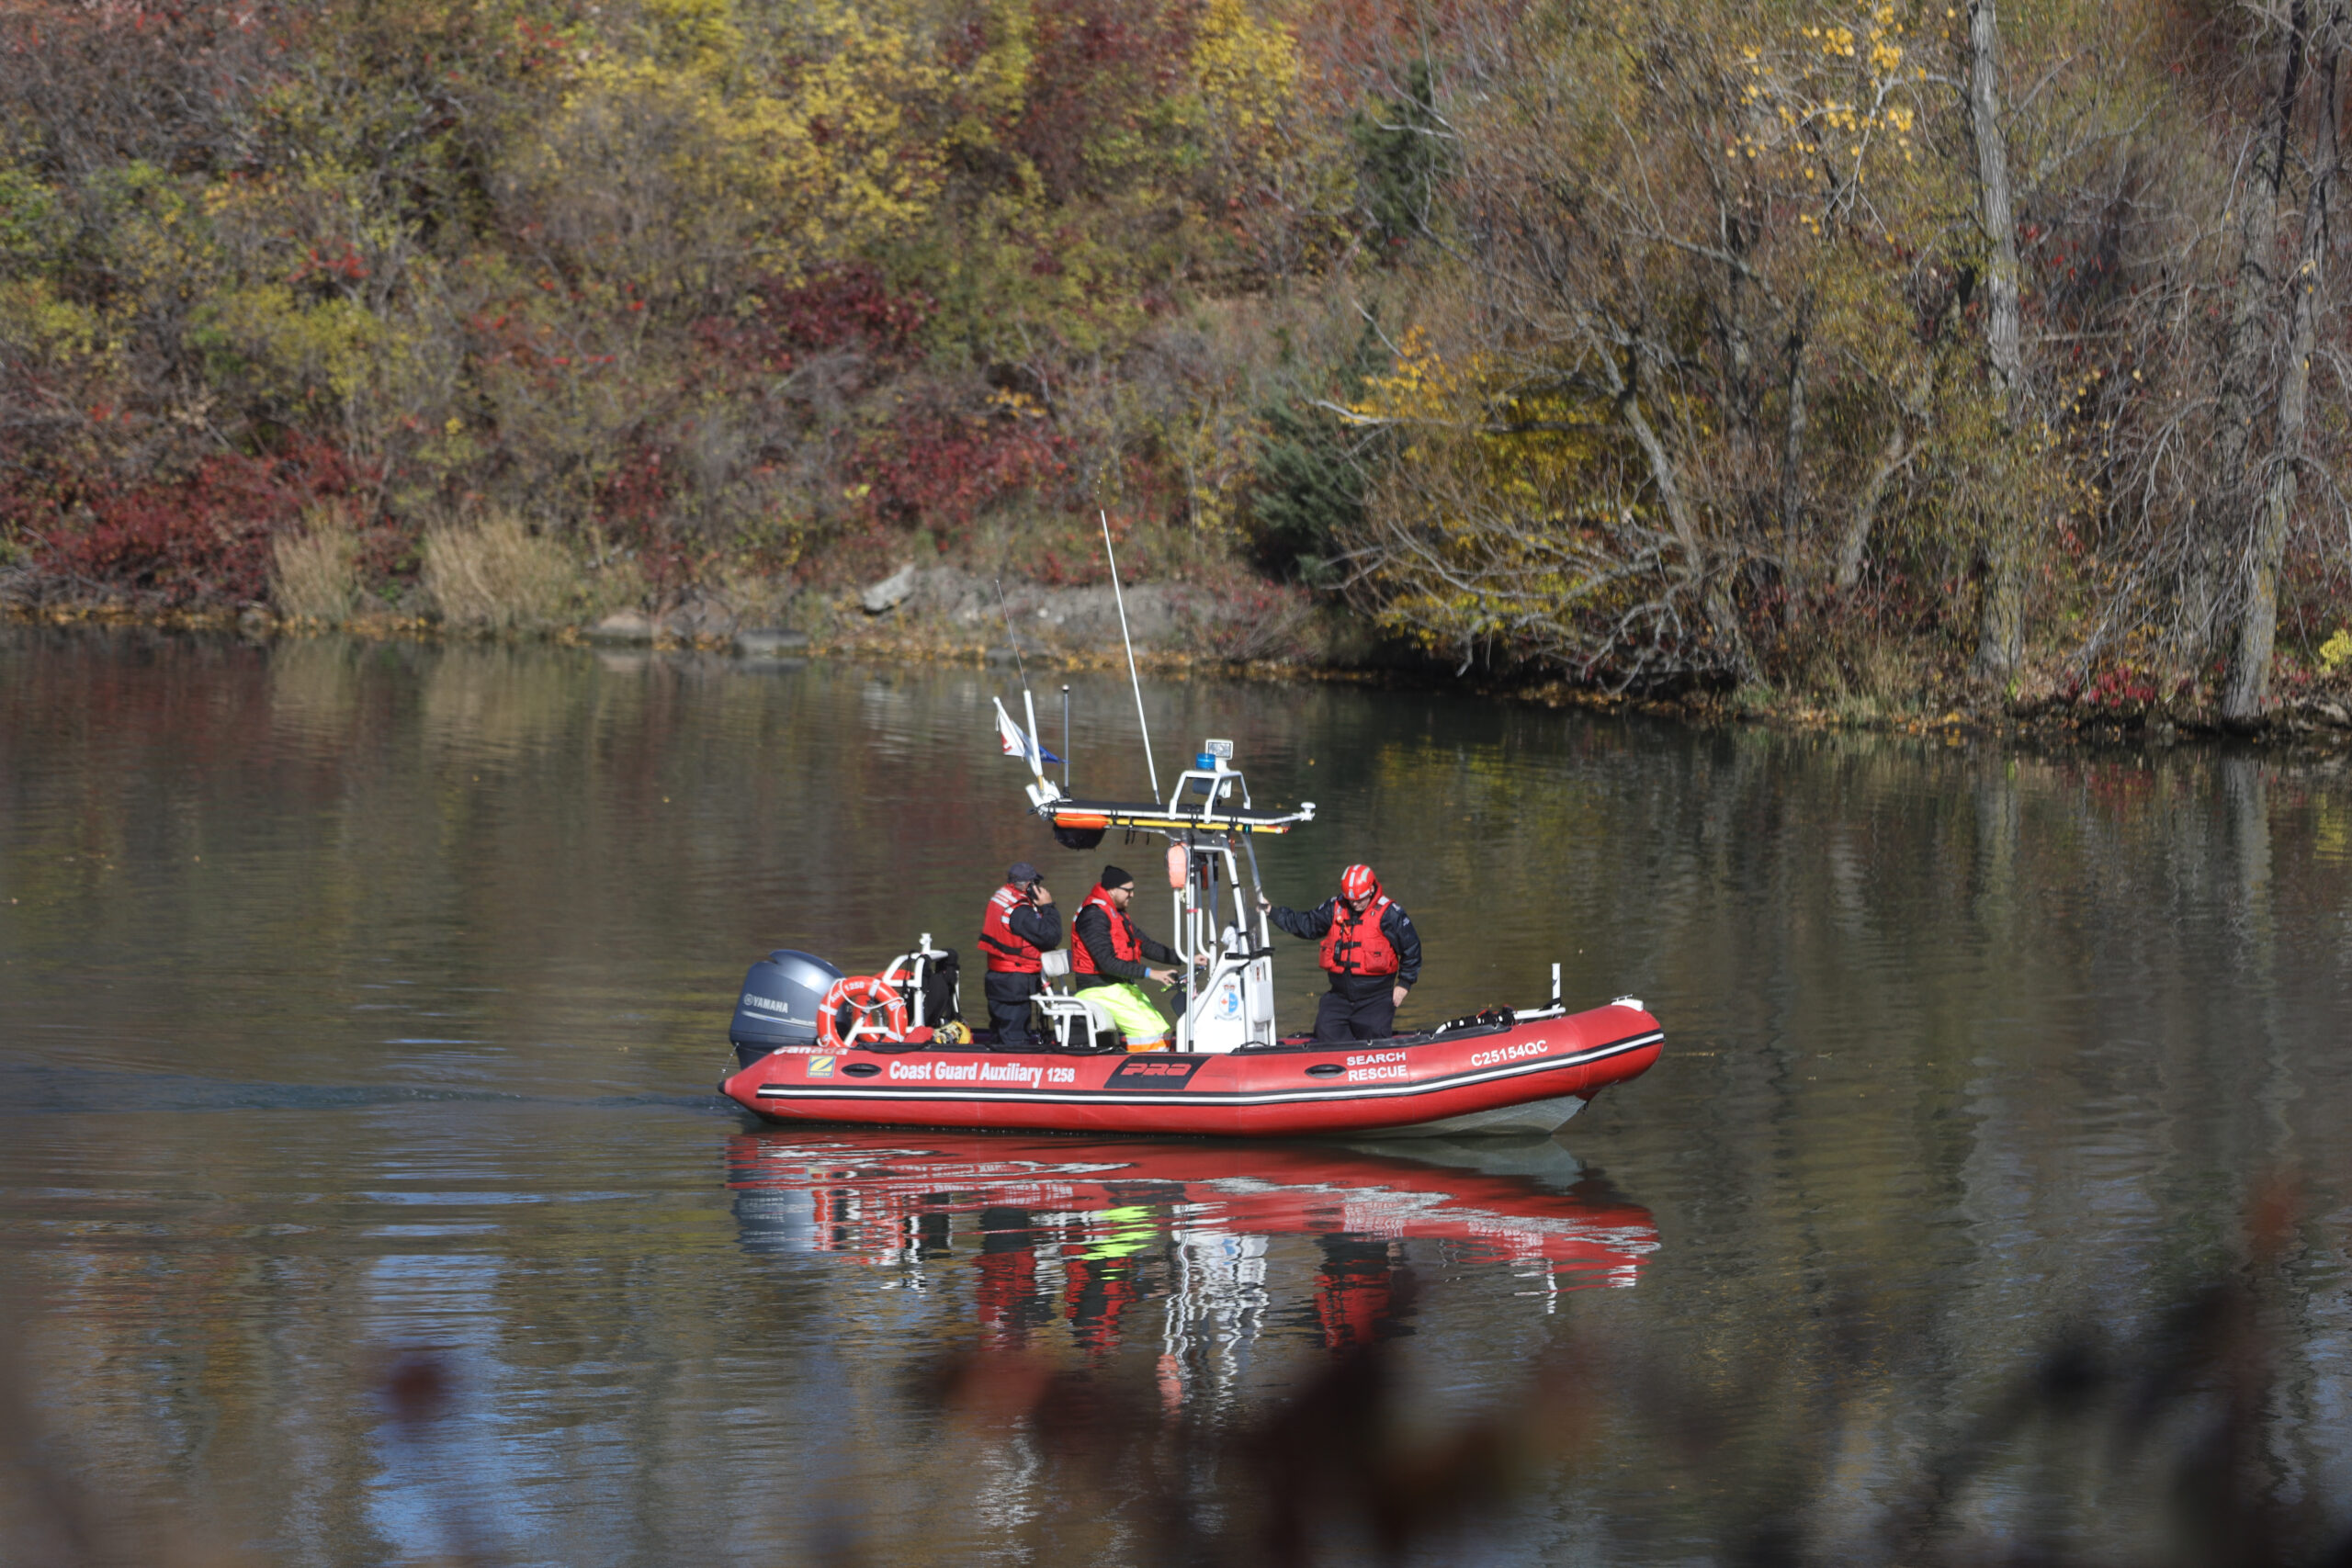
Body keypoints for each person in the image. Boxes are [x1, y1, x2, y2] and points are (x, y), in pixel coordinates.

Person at [1260, 863, 1421, 1043]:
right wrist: (1272, 912)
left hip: (1376, 998)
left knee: (1374, 1034)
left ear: (1371, 890)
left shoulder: (1390, 914)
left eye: (1359, 899)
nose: (1355, 904)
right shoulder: (1335, 907)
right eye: (1351, 899)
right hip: (1339, 996)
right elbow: (1306, 924)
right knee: (1325, 1030)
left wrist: (1404, 984)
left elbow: (1411, 948)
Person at [1071, 864, 1183, 1051]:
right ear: (1112, 890)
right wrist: (1151, 973)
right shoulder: (1093, 916)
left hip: (1119, 985)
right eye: (1128, 891)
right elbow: (1107, 963)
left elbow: (1145, 945)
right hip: (1097, 987)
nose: (1132, 895)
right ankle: (1142, 1071)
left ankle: (1162, 1065)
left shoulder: (1117, 913)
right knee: (1146, 1033)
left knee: (1161, 1028)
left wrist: (1183, 957)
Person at [978, 861, 1061, 1051]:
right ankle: (1012, 1070)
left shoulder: (1003, 897)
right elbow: (1051, 936)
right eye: (1036, 884)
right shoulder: (1019, 911)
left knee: (1002, 1031)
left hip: (1001, 979)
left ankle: (998, 1065)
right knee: (1014, 1038)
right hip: (1012, 982)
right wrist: (1048, 907)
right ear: (1029, 886)